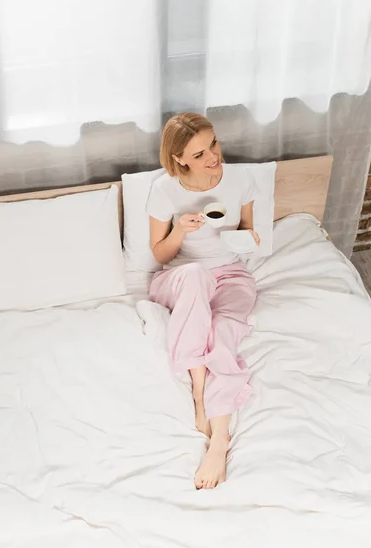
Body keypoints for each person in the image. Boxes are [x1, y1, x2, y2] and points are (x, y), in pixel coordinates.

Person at [147, 112, 259, 490]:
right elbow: (161, 255)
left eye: (213, 144)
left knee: (224, 330)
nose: (213, 156)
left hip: (230, 273)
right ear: (179, 159)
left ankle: (220, 440)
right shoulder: (165, 189)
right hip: (179, 278)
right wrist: (179, 229)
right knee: (195, 275)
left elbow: (246, 228)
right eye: (199, 154)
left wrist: (250, 237)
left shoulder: (240, 178)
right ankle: (199, 391)